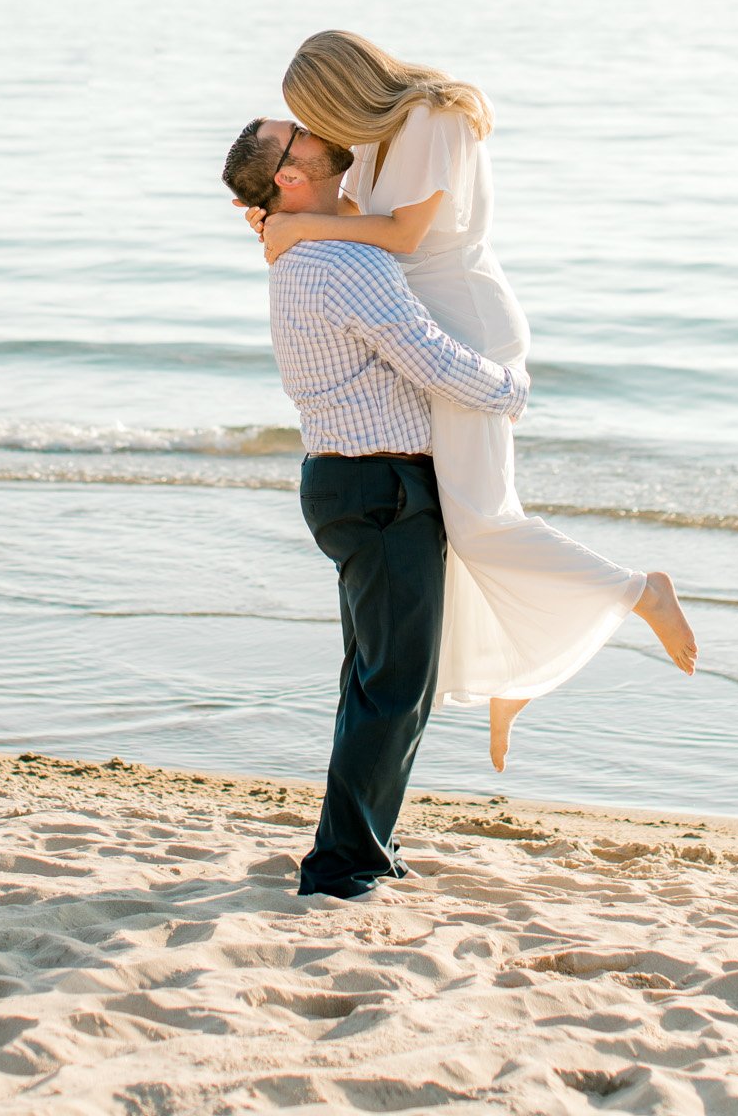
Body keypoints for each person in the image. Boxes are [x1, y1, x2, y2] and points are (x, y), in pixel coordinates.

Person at [239, 31, 697, 778]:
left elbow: (403, 233)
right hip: (431, 327)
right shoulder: (383, 139)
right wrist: (277, 217)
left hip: (467, 328)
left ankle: (637, 593)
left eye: (314, 113)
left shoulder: (431, 118)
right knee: (465, 525)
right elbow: (353, 218)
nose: (318, 132)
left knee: (482, 526)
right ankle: (513, 674)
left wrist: (301, 226)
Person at [222, 117, 530, 902]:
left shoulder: (311, 244)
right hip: (382, 488)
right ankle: (343, 867)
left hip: (350, 483)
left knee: (380, 681)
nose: (314, 127)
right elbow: (425, 355)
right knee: (393, 684)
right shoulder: (341, 259)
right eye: (296, 133)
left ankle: (361, 848)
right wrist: (509, 390)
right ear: (291, 176)